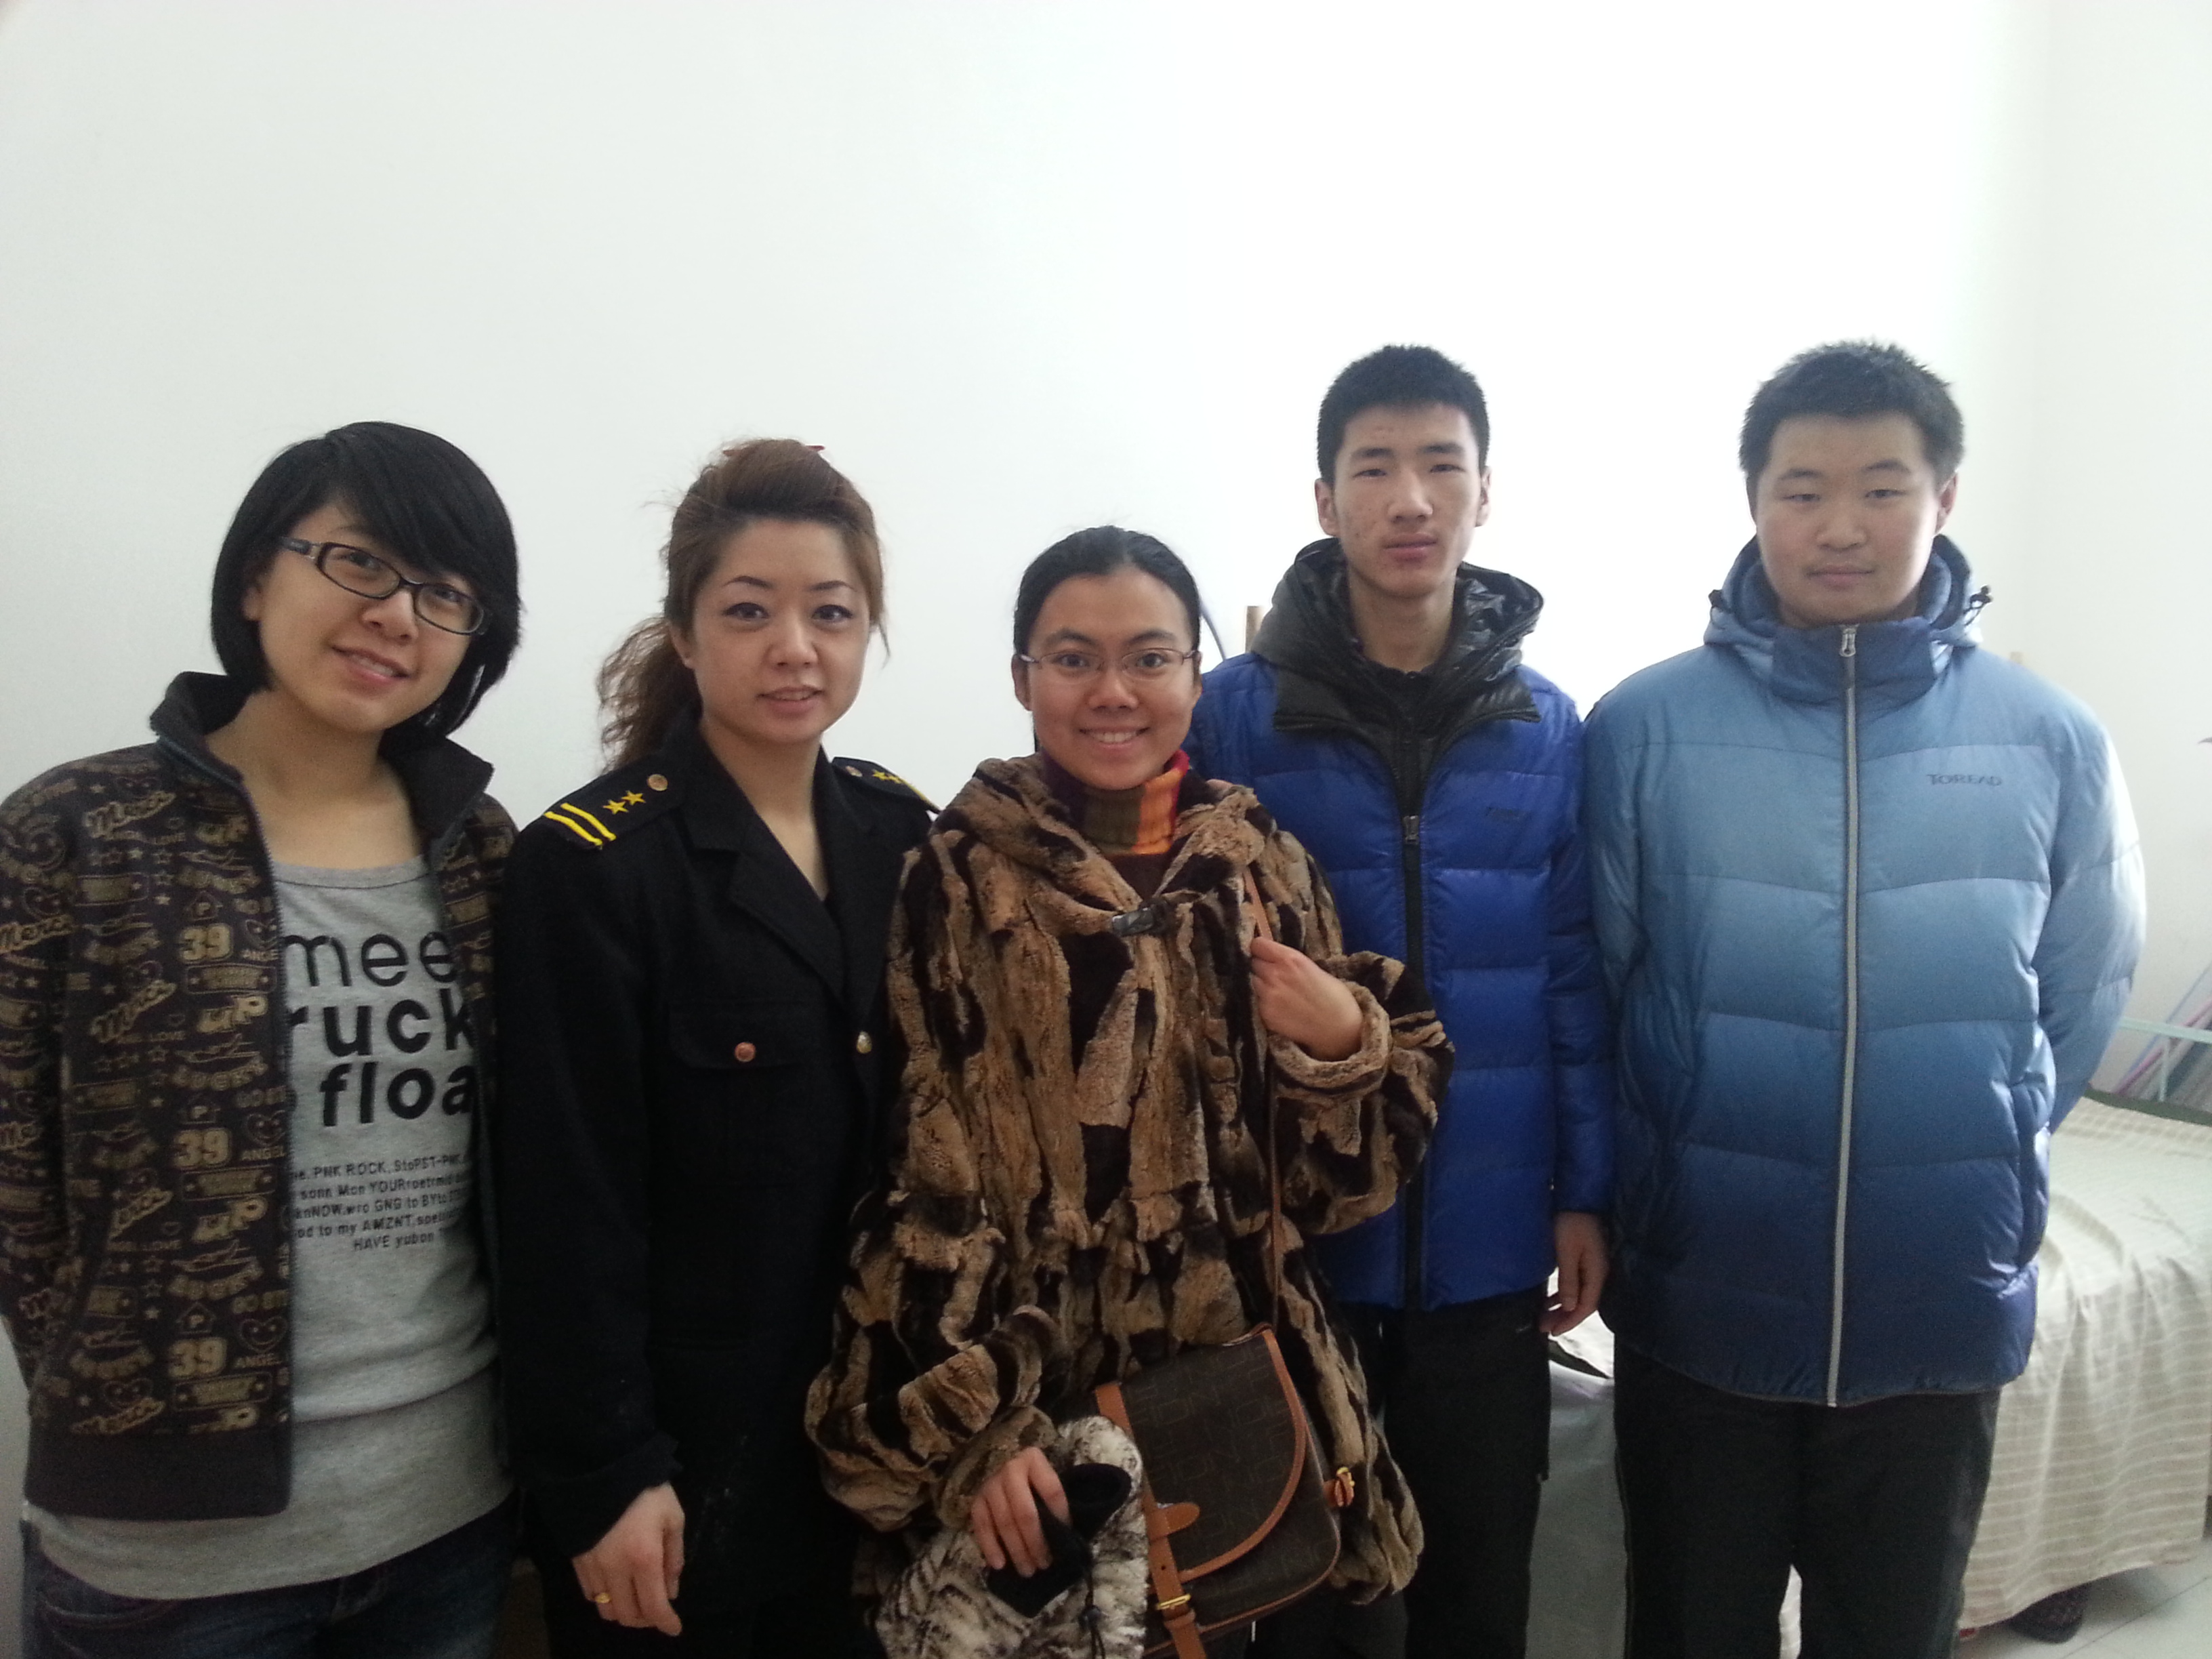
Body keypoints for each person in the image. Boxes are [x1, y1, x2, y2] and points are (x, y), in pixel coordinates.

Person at [1583, 341, 2144, 1658]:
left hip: (1934, 1296)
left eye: (1882, 487)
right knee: (1691, 1628)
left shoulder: (2050, 738)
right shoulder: (1644, 727)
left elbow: (2081, 993)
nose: (1841, 525)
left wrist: (1978, 1136)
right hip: (1704, 1293)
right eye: (1804, 489)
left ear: (1944, 496)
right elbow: (1605, 981)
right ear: (1754, 502)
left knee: (1893, 1634)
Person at [806, 526, 1450, 1659]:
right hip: (1054, 1435)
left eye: (1151, 658)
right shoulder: (954, 882)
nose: (1114, 692)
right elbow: (923, 1180)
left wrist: (1345, 1044)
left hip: (1265, 1407)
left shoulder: (1260, 865)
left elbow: (1337, 1195)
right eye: (1074, 658)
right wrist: (980, 1428)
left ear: (1197, 677)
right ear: (1022, 678)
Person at [0, 422, 525, 1658]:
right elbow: (19, 1180)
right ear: (253, 578)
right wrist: (117, 1398)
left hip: (446, 1516)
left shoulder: (481, 847)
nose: (396, 615)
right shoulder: (77, 832)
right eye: (358, 561)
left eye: (445, 593)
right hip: (169, 1559)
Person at [1187, 345, 1613, 1659]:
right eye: (1375, 468)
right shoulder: (1235, 715)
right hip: (1302, 1250)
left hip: (1490, 1250)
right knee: (1315, 1609)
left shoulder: (1548, 725)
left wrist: (1584, 1190)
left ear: (1487, 492)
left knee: (1478, 1593)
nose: (1411, 499)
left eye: (1442, 465)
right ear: (1326, 501)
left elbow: (1572, 970)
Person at [495, 439, 934, 1655]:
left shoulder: (903, 837)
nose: (794, 647)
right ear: (685, 636)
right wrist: (607, 1473)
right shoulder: (594, 869)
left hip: (882, 1455)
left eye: (830, 612)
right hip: (688, 1480)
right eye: (749, 611)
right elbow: (562, 1206)